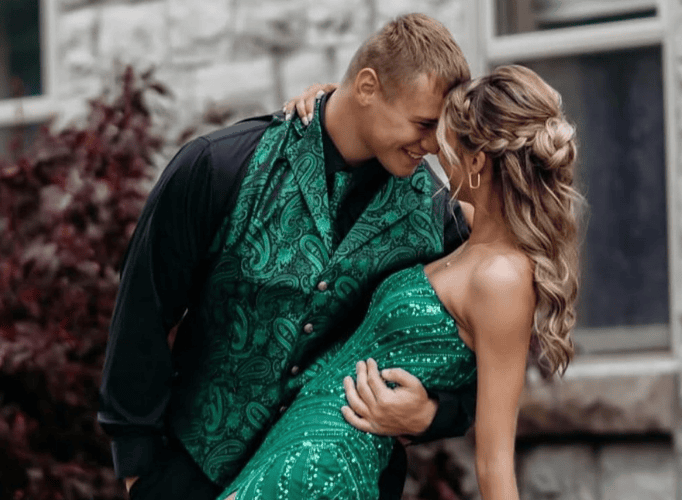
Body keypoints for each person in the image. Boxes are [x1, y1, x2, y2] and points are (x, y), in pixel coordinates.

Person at [97, 13, 478, 500]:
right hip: (191, 475)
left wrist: (432, 414)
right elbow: (143, 313)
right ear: (367, 86)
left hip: (341, 484)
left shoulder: (437, 220)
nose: (431, 146)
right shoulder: (220, 165)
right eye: (424, 124)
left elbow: (482, 352)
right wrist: (139, 470)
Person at [218, 64, 582, 500]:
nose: (431, 150)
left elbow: (493, 461)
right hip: (290, 450)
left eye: (444, 142)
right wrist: (339, 101)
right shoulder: (469, 232)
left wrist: (427, 415)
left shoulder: (502, 279)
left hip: (327, 471)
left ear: (477, 162)